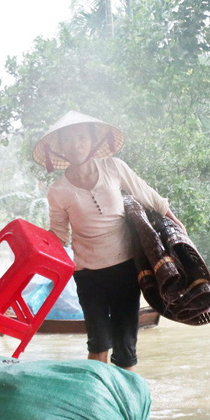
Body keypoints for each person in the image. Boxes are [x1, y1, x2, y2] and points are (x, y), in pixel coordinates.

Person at [36, 111, 184, 372]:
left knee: (126, 349)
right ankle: (97, 403)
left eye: (81, 138)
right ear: (60, 148)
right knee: (98, 343)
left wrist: (176, 223)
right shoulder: (57, 191)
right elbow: (59, 235)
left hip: (126, 269)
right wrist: (38, 246)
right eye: (68, 140)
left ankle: (125, 405)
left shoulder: (114, 167)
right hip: (87, 274)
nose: (76, 145)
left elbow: (146, 194)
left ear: (93, 141)